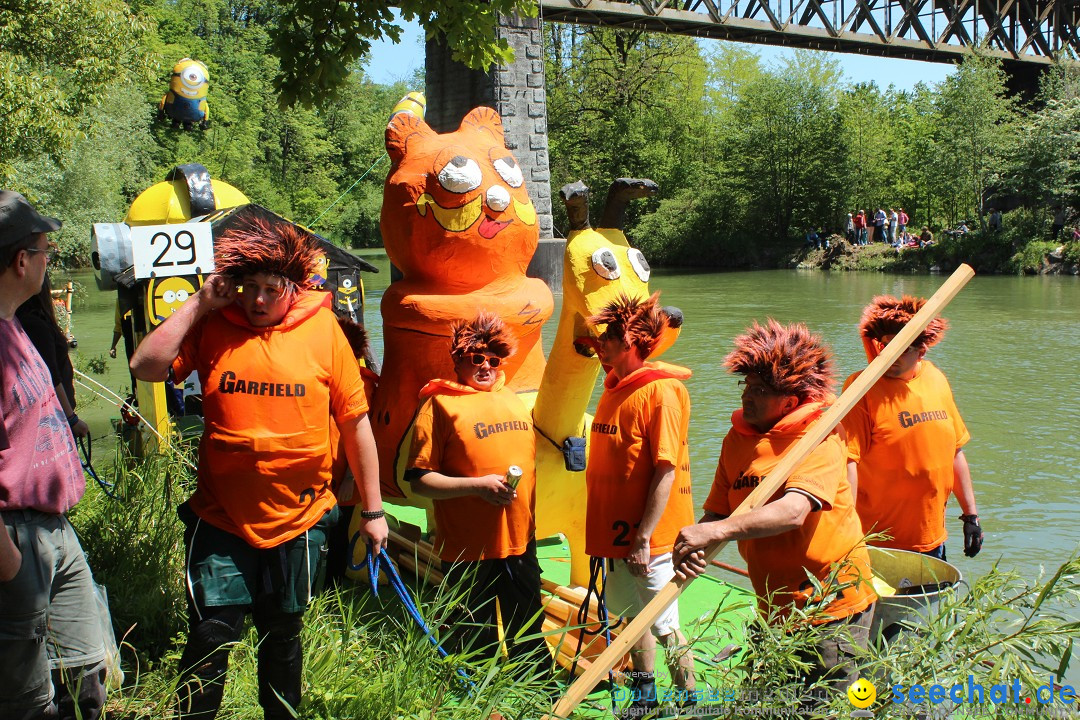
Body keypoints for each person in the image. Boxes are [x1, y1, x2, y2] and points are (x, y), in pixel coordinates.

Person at [129, 215, 387, 720]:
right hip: (221, 517)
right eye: (249, 288)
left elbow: (357, 426)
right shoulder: (213, 325)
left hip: (299, 519)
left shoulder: (325, 330)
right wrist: (201, 302)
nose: (259, 301)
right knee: (209, 635)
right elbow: (146, 366)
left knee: (284, 636)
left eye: (273, 289)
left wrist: (373, 511)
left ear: (295, 287)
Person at [672, 319, 876, 695]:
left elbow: (793, 511)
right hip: (773, 605)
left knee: (825, 704)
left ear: (791, 402)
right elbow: (718, 513)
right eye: (746, 385)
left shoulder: (821, 436)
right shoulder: (736, 440)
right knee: (771, 700)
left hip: (830, 606)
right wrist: (695, 544)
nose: (746, 396)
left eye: (760, 389)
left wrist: (714, 531)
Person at [1, 190, 108, 720]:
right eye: (46, 252)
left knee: (87, 673)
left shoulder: (17, 324)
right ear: (22, 261)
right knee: (26, 700)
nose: (49, 262)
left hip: (55, 530)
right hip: (15, 538)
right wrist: (8, 560)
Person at [404, 312, 547, 669]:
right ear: (457, 360)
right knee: (473, 633)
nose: (486, 366)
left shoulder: (511, 397)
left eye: (493, 360)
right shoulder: (438, 405)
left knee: (528, 626)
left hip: (519, 540)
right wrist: (477, 486)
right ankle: (478, 699)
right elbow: (419, 480)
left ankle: (539, 690)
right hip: (468, 547)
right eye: (476, 358)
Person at [585, 292, 696, 716]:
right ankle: (644, 698)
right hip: (618, 535)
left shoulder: (662, 392)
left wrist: (643, 538)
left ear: (630, 342)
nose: (601, 343)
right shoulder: (616, 386)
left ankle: (688, 700)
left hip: (650, 541)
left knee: (667, 626)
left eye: (609, 336)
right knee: (635, 619)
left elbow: (665, 469)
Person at [842, 295, 983, 561]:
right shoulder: (862, 389)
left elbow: (955, 452)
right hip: (876, 543)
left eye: (902, 348)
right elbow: (847, 462)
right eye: (886, 345)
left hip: (932, 540)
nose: (890, 354)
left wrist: (971, 515)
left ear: (921, 350)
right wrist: (846, 534)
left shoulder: (936, 378)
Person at [15, 273, 89, 439]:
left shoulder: (27, 320)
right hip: (55, 419)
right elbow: (50, 376)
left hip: (53, 416)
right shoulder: (35, 325)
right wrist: (71, 419)